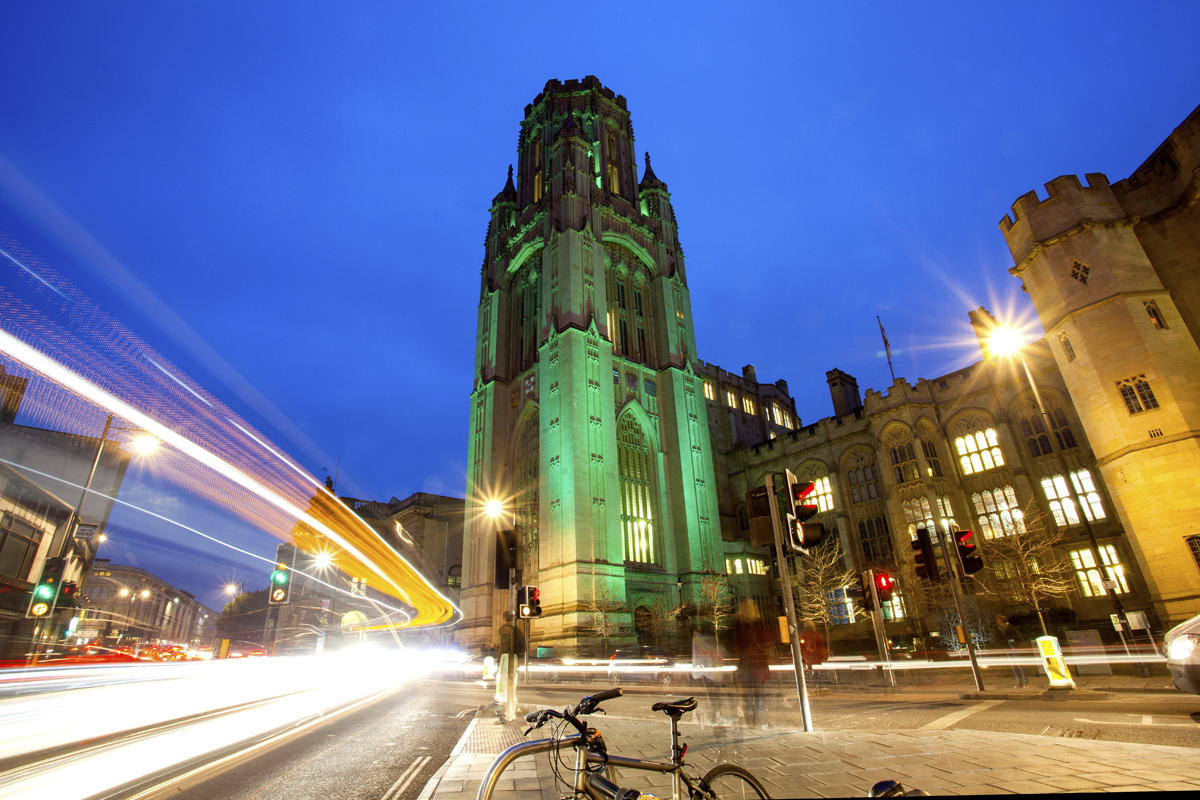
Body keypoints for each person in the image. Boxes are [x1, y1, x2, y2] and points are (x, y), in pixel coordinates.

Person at [733, 599, 771, 728]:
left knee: (747, 694)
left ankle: (749, 719)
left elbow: (736, 644)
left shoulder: (739, 624)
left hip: (745, 662)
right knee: (760, 694)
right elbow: (765, 640)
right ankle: (761, 720)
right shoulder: (758, 624)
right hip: (758, 662)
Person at [997, 615, 1029, 688]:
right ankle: (1019, 682)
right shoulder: (1000, 630)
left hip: (1014, 648)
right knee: (1014, 666)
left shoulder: (1011, 628)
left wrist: (1014, 643)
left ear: (1002, 621)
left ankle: (1025, 682)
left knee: (1020, 665)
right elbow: (999, 639)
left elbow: (1019, 637)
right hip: (1008, 649)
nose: (998, 622)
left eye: (999, 621)